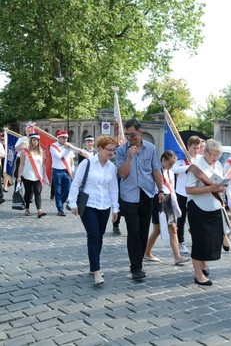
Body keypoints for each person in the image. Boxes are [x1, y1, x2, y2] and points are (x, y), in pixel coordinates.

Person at [115, 119, 164, 281]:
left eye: (133, 134)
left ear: (140, 132)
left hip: (147, 194)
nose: (130, 137)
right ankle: (135, 267)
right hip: (129, 196)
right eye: (127, 134)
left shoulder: (150, 148)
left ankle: (139, 261)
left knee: (143, 231)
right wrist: (129, 157)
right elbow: (122, 174)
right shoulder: (122, 150)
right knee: (133, 231)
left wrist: (161, 190)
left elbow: (156, 170)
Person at [69, 136, 119, 285]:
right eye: (109, 150)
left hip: (105, 205)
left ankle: (93, 265)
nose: (111, 153)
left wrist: (115, 208)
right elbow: (76, 183)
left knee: (100, 236)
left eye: (113, 150)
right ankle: (97, 271)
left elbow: (113, 189)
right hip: (89, 204)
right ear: (100, 149)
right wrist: (72, 203)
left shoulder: (112, 167)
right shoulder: (87, 163)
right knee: (94, 236)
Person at [185, 139, 227, 286]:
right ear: (205, 152)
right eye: (212, 154)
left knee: (211, 241)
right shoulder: (196, 166)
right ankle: (198, 275)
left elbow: (219, 183)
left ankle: (203, 264)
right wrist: (210, 188)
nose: (215, 157)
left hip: (214, 207)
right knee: (199, 241)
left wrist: (221, 188)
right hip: (198, 208)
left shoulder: (219, 164)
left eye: (217, 155)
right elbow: (189, 189)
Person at [144, 150, 190, 265]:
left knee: (172, 228)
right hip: (159, 200)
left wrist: (176, 207)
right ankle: (147, 252)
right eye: (170, 163)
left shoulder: (170, 173)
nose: (171, 166)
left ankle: (177, 256)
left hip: (168, 200)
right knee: (158, 229)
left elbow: (172, 189)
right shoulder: (156, 171)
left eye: (173, 164)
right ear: (163, 160)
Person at [171, 135, 202, 255]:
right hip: (182, 192)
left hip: (194, 192)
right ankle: (180, 241)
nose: (196, 150)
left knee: (195, 217)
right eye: (194, 148)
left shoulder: (200, 158)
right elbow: (173, 169)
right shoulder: (182, 157)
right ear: (188, 147)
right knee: (181, 218)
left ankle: (196, 239)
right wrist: (189, 166)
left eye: (198, 148)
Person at [16, 133, 47, 217]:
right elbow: (21, 164)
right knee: (28, 192)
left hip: (37, 176)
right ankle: (27, 208)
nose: (36, 141)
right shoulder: (25, 151)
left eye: (37, 140)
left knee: (38, 192)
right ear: (30, 141)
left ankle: (39, 210)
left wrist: (44, 176)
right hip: (27, 174)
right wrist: (19, 176)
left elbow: (43, 165)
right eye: (34, 140)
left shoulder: (41, 151)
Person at [50, 130, 78, 216]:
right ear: (59, 138)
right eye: (63, 138)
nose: (65, 139)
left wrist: (72, 166)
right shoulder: (53, 146)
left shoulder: (68, 146)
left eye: (66, 138)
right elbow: (59, 156)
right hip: (57, 170)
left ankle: (60, 203)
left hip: (66, 170)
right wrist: (66, 148)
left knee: (67, 190)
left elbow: (72, 157)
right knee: (58, 190)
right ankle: (60, 209)